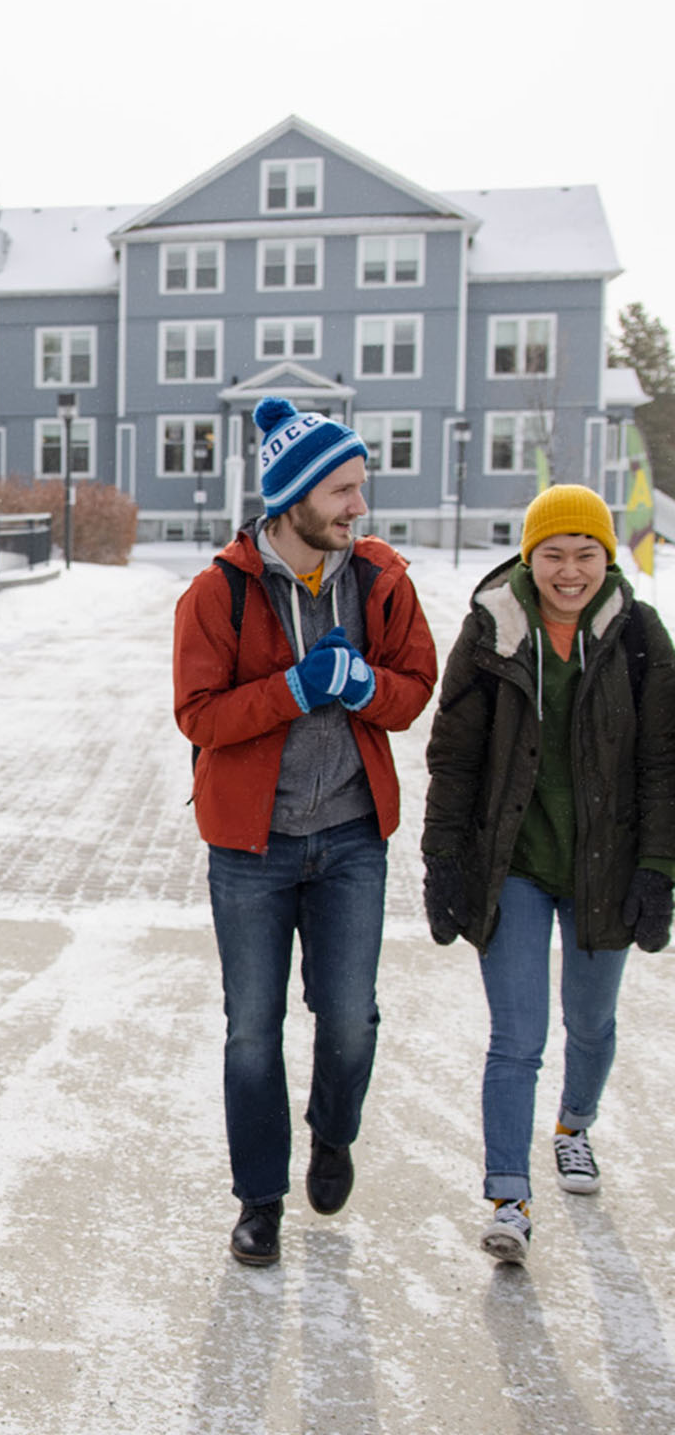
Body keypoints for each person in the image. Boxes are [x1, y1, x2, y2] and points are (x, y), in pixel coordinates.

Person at [173, 396, 437, 1267]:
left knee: (350, 1021)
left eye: (360, 488)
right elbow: (199, 718)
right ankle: (260, 1198)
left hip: (354, 838)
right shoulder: (218, 593)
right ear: (293, 497)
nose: (359, 508)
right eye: (344, 492)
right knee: (252, 1028)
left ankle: (333, 1133)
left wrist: (365, 688)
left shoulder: (380, 579)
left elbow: (414, 687)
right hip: (252, 850)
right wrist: (294, 689)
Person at [423, 484, 675, 1265]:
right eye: (554, 555)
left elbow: (666, 761)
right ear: (530, 558)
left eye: (586, 554)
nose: (571, 571)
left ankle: (573, 1127)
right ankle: (508, 1196)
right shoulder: (493, 630)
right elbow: (454, 756)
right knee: (517, 1037)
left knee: (591, 1024)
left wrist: (660, 869)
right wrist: (441, 861)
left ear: (607, 557)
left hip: (607, 865)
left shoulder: (638, 634)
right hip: (517, 866)